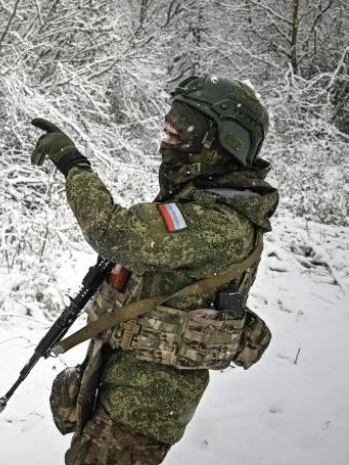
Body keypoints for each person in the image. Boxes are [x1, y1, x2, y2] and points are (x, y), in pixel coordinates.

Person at [31, 75, 278, 465]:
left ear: (222, 144)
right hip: (124, 380)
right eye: (169, 125)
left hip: (144, 405)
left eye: (182, 131)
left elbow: (115, 233)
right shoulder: (203, 203)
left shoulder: (220, 221)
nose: (168, 138)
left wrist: (73, 164)